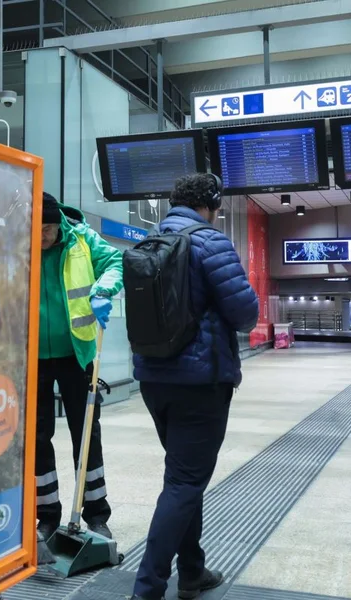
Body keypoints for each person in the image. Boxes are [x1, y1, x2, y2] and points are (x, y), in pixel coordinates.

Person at [130, 173, 258, 600]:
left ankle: (192, 571)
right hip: (199, 382)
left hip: (153, 378)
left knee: (185, 476)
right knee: (185, 482)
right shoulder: (210, 241)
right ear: (212, 205)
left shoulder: (151, 241)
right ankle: (146, 588)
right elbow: (244, 313)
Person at [36, 192, 123, 541]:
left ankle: (97, 512)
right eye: (36, 229)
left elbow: (115, 261)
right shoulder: (17, 243)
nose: (41, 236)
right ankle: (46, 513)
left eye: (47, 228)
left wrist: (104, 288)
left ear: (58, 222)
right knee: (38, 435)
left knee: (86, 431)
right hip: (33, 355)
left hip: (78, 353)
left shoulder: (82, 238)